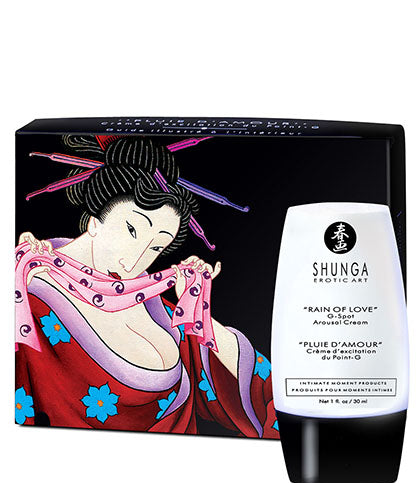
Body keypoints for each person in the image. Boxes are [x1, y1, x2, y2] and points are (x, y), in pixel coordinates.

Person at [15, 136, 278, 438]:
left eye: (156, 248)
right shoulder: (29, 297)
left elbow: (261, 391)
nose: (133, 262)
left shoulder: (156, 307)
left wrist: (195, 308)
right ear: (94, 221)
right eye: (131, 230)